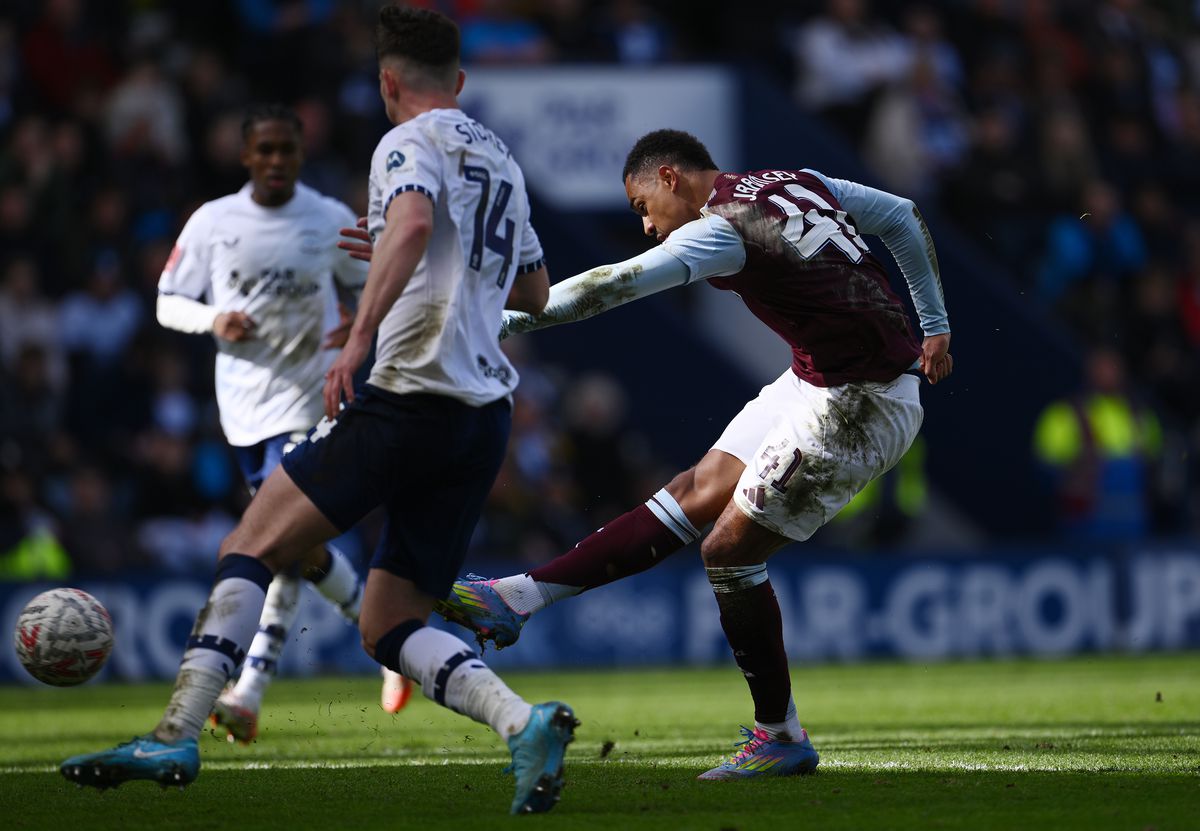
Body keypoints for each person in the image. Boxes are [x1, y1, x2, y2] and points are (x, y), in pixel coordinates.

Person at [61, 6, 576, 816]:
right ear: (463, 81)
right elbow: (535, 291)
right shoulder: (501, 158)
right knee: (388, 622)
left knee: (251, 541)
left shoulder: (403, 142)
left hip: (409, 397)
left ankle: (176, 728)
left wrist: (358, 335)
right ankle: (524, 722)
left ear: (387, 82)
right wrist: (431, 254)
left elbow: (408, 220)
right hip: (484, 419)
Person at [436, 129, 952, 780]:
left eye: (642, 205)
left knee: (727, 551)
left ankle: (780, 735)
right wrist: (933, 323)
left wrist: (505, 321)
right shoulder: (798, 178)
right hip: (817, 378)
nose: (648, 226)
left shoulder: (720, 229)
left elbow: (611, 285)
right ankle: (516, 599)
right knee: (694, 491)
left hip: (862, 401)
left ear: (671, 178)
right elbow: (902, 216)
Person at [152, 102, 412, 739]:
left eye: (285, 151)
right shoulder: (214, 222)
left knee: (281, 544)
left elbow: (374, 283)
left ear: (300, 154)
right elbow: (166, 303)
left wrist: (361, 323)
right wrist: (211, 320)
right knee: (301, 549)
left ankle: (249, 690)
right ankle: (391, 641)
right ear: (245, 155)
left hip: (312, 400)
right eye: (263, 150)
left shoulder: (325, 219)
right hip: (242, 411)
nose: (274, 161)